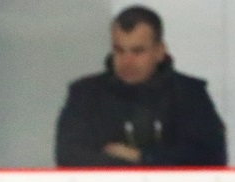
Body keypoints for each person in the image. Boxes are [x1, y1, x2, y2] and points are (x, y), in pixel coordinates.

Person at [56, 5, 226, 167]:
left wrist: (140, 156)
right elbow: (69, 156)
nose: (127, 61)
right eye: (119, 50)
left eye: (138, 51)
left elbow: (211, 157)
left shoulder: (190, 94)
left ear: (160, 51)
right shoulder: (85, 95)